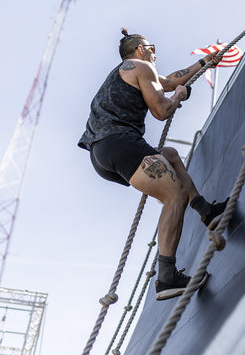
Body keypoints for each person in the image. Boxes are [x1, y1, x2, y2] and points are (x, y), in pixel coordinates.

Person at [78, 29, 228, 300]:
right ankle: (167, 278)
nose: (155, 52)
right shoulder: (142, 66)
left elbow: (169, 81)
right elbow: (161, 109)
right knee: (175, 197)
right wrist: (179, 97)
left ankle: (206, 211)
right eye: (151, 47)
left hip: (103, 153)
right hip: (119, 142)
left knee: (169, 154)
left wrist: (204, 63)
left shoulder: (132, 71)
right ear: (140, 49)